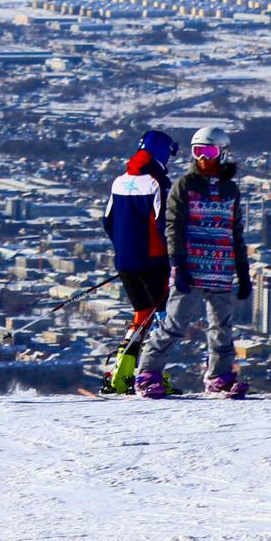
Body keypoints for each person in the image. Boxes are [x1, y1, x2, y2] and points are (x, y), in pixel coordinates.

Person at [136, 125, 251, 399]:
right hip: (191, 267)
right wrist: (178, 263)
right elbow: (173, 225)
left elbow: (235, 231)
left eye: (209, 151)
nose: (203, 158)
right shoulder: (185, 185)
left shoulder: (230, 190)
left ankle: (220, 376)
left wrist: (243, 273)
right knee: (175, 324)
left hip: (221, 270)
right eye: (198, 151)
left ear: (222, 153)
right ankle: (147, 374)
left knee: (221, 326)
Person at [98, 129, 177, 394]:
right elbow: (165, 224)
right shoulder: (158, 183)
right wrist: (174, 258)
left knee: (141, 315)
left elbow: (108, 221)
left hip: (125, 261)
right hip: (153, 262)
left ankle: (121, 374)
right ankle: (150, 376)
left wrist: (125, 249)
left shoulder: (119, 181)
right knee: (163, 319)